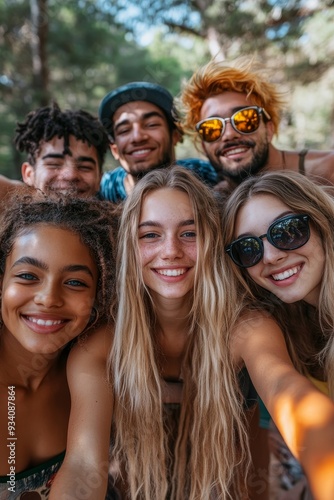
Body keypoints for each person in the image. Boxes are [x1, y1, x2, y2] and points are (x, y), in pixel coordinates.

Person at [50, 167, 334, 500]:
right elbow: (84, 464)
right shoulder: (100, 345)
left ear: (213, 242)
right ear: (129, 246)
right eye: (150, 235)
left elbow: (289, 393)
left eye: (189, 233)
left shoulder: (247, 327)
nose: (171, 250)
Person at [223, 170, 334, 499]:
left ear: (322, 221)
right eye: (248, 248)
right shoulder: (291, 320)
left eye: (287, 231)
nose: (271, 256)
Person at [0, 189, 116, 499]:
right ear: (1, 282)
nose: (49, 298)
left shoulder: (89, 364)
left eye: (75, 282)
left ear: (99, 295)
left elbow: (86, 469)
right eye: (27, 275)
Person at [179, 57, 334, 192]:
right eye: (211, 128)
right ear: (203, 146)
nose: (229, 134)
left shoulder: (327, 172)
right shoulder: (217, 200)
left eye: (244, 119)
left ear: (269, 128)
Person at [98, 81, 218, 202]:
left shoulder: (203, 175)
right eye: (124, 130)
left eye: (151, 124)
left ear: (175, 135)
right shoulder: (104, 190)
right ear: (115, 150)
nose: (137, 137)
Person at [1, 101, 110, 199]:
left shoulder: (119, 218)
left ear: (99, 179)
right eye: (54, 164)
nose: (71, 175)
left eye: (84, 167)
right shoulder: (11, 212)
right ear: (28, 174)